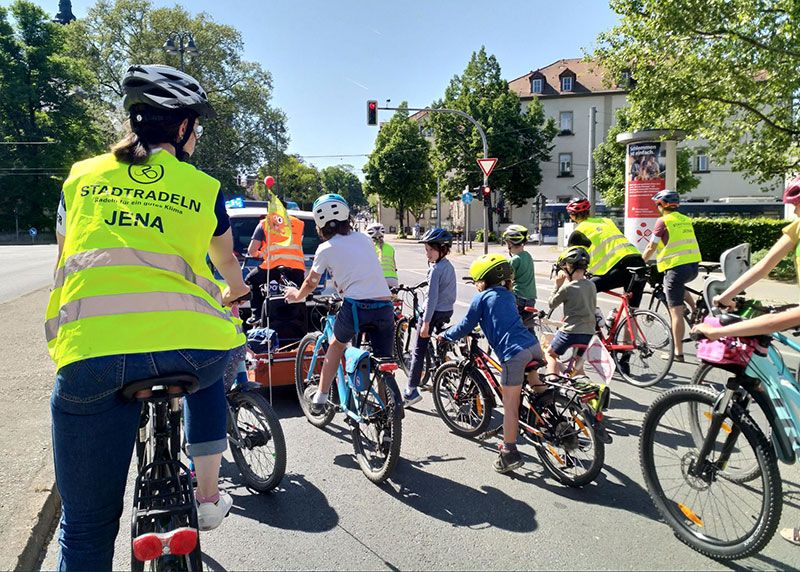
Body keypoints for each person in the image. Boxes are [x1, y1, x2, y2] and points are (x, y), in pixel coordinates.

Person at [48, 64, 249, 570]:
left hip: (91, 355)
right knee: (219, 358)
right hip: (188, 350)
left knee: (86, 528)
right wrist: (236, 290)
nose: (197, 136)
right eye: (195, 126)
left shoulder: (82, 177)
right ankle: (206, 496)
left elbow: (65, 256)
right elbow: (226, 263)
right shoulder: (202, 188)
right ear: (180, 128)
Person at [692, 176, 800, 547]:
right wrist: (728, 294)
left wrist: (718, 333)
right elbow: (767, 264)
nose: (797, 213)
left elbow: (794, 315)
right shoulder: (798, 225)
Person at [284, 194, 397, 414]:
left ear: (319, 224)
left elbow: (311, 282)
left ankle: (321, 396)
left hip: (356, 307)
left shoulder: (325, 248)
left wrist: (296, 295)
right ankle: (387, 410)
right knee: (384, 362)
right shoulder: (364, 239)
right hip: (384, 306)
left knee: (336, 345)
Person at [439, 254, 543, 474]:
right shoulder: (508, 295)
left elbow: (466, 324)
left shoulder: (482, 297)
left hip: (513, 354)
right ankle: (552, 416)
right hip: (532, 345)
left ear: (482, 280)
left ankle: (508, 453)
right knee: (537, 386)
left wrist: (446, 336)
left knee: (510, 406)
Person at [566, 197, 645, 374]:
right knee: (631, 312)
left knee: (583, 291)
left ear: (572, 216)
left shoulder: (579, 231)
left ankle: (597, 322)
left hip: (618, 267)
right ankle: (624, 361)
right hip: (638, 262)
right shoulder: (607, 220)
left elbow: (573, 259)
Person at [642, 190, 701, 361]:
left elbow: (651, 247)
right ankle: (695, 308)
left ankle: (677, 352)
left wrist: (640, 262)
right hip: (693, 266)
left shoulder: (662, 221)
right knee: (678, 286)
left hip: (675, 268)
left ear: (661, 205)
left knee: (676, 313)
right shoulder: (685, 219)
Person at [403, 228, 456, 406]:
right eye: (426, 250)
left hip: (432, 313)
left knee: (418, 351)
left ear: (442, 249)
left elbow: (432, 298)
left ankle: (411, 391)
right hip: (446, 311)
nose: (427, 254)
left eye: (430, 250)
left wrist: (426, 322)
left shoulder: (435, 270)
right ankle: (443, 369)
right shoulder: (448, 266)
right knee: (439, 343)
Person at [246, 212, 306, 324]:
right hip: (296, 266)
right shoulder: (298, 223)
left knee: (251, 279)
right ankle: (299, 320)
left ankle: (256, 314)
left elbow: (252, 250)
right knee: (296, 293)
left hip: (273, 265)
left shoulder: (265, 223)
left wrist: (259, 255)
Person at [545, 247, 596, 376]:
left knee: (550, 354)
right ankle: (585, 389)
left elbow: (551, 303)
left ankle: (552, 382)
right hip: (589, 332)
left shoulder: (567, 287)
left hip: (570, 332)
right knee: (578, 365)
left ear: (569, 267)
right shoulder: (592, 285)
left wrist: (557, 285)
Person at [502, 224, 537, 324]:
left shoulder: (514, 260)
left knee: (512, 325)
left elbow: (507, 280)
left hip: (518, 298)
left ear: (510, 243)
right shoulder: (528, 256)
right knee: (527, 326)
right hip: (531, 298)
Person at [365, 222, 398, 289]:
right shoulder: (390, 248)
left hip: (378, 279)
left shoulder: (369, 247)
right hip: (393, 279)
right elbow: (394, 266)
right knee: (393, 298)